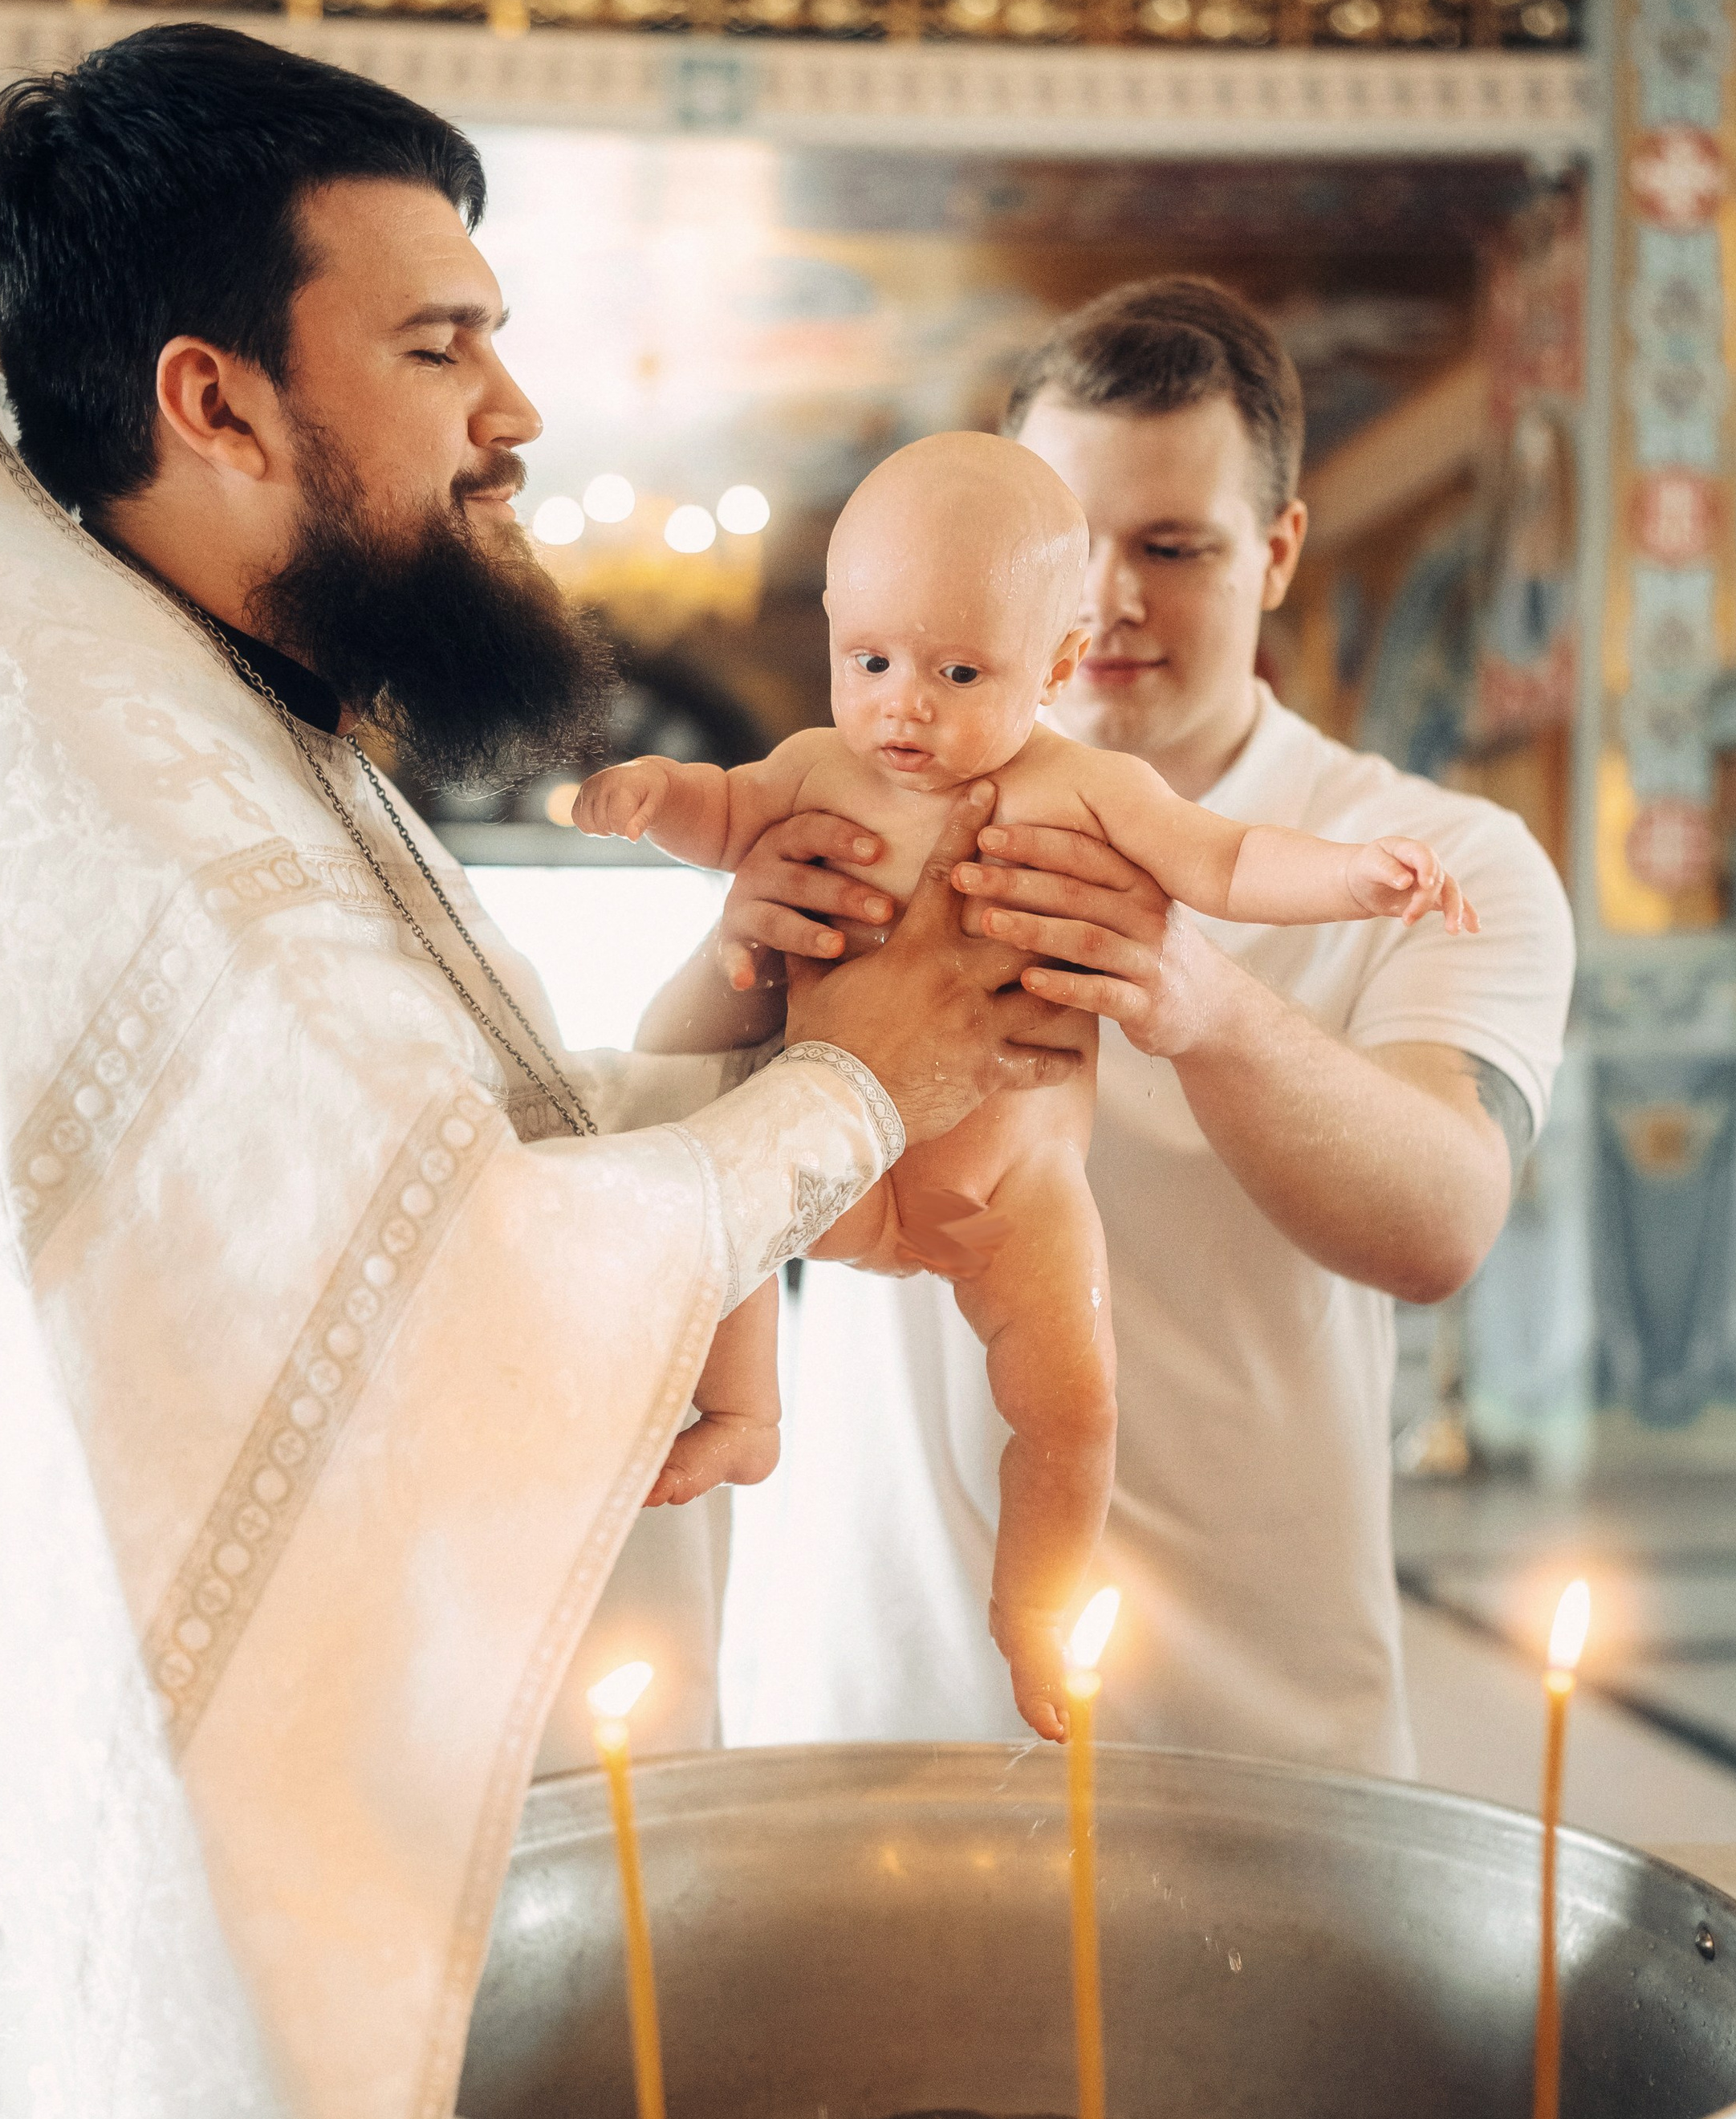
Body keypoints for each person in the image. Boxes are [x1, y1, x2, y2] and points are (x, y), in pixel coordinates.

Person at [0, 23, 1097, 2119]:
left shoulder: (176, 687)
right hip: (24, 1894)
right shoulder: (28, 765)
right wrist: (871, 1080)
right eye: (444, 347)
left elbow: (407, 1189)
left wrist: (751, 1017)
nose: (520, 410)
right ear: (214, 395)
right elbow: (445, 1295)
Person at [700, 278, 1575, 1773]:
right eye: (1073, 539)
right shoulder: (850, 798)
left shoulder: (1435, 855)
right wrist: (735, 951)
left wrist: (1195, 999)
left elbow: (1442, 1221)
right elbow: (704, 1136)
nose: (1108, 599)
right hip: (855, 1696)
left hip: (1251, 1726)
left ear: (1280, 551)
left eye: (1174, 548)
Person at [587, 429, 1469, 1736]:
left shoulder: (1093, 791)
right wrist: (654, 794)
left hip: (1017, 1193)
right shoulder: (817, 772)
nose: (904, 705)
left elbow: (1227, 866)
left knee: (1072, 1405)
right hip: (839, 1157)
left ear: (1053, 666)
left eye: (956, 672)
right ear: (833, 629)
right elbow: (719, 819)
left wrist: (1354, 878)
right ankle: (746, 1408)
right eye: (871, 662)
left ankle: (1038, 1606)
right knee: (725, 1189)